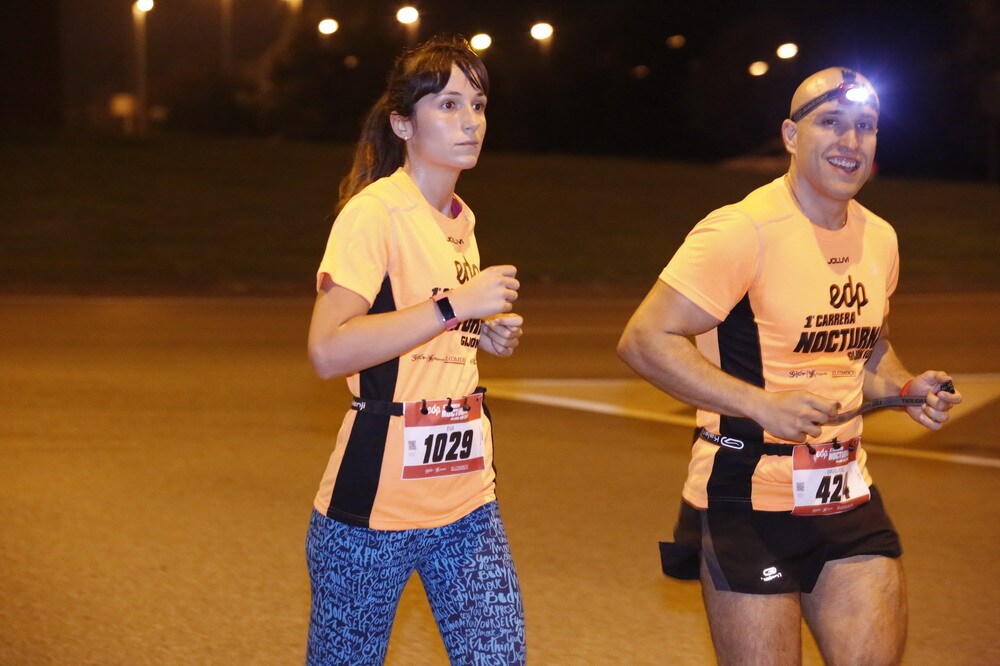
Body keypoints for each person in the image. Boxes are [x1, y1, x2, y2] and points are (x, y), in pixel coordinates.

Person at [617, 67, 963, 665]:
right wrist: (760, 403)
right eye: (830, 123)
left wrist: (906, 387)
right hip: (747, 496)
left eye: (866, 127)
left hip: (844, 490)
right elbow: (645, 339)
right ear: (790, 134)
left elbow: (866, 347)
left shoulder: (880, 238)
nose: (849, 142)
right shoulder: (742, 230)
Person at [305, 35, 526, 665]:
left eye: (478, 105)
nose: (470, 122)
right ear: (404, 123)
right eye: (449, 105)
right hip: (372, 506)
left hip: (466, 499)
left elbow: (413, 323)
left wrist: (478, 332)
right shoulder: (373, 214)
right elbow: (328, 351)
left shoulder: (462, 219)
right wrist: (456, 307)